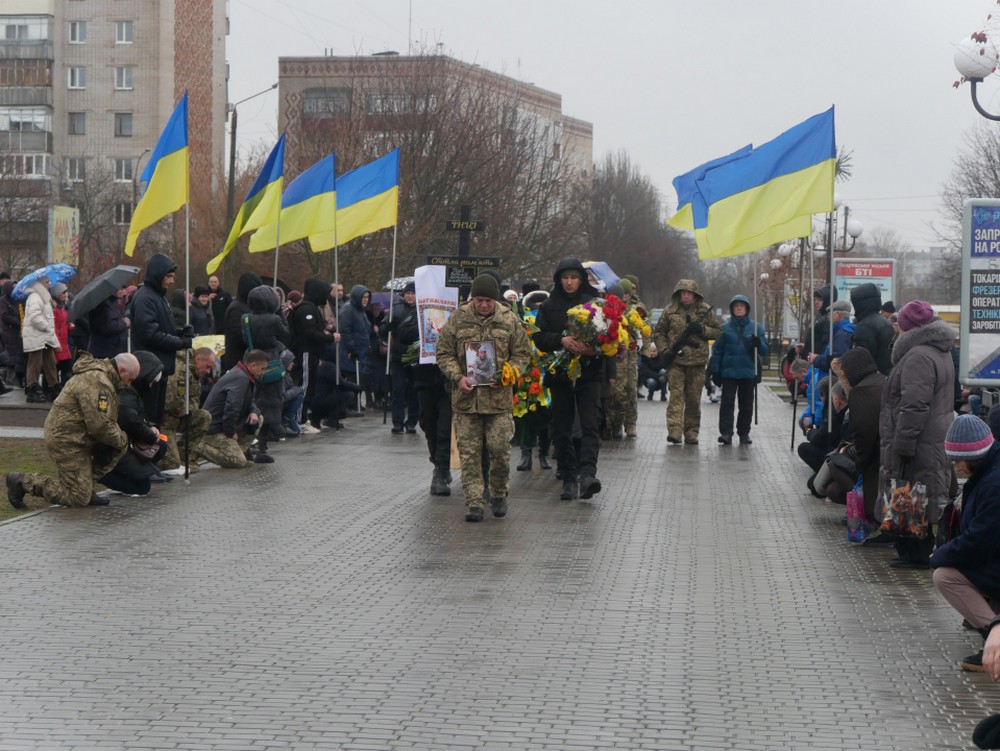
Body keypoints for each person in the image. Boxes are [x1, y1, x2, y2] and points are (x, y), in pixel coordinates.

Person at [436, 273, 531, 522]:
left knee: (500, 451)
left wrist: (510, 372)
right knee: (469, 454)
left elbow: (522, 353)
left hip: (498, 399)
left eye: (488, 300)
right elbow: (443, 352)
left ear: (496, 299)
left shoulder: (509, 320)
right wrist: (458, 377)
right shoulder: (458, 318)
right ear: (473, 299)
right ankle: (474, 502)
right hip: (467, 401)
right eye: (479, 300)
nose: (484, 305)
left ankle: (498, 493)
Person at [879, 300, 957, 567]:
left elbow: (914, 404)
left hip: (920, 438)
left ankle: (917, 554)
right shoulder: (938, 351)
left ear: (907, 328)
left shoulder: (918, 356)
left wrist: (903, 443)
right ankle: (915, 552)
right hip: (933, 435)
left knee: (913, 490)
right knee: (919, 490)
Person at [6, 352, 139, 508]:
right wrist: (122, 439)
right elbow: (99, 426)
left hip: (79, 435)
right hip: (66, 439)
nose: (129, 384)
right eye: (130, 379)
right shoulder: (98, 381)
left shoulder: (104, 378)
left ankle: (86, 487)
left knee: (115, 447)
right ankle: (23, 482)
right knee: (77, 499)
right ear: (122, 370)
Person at [533, 258, 612, 501]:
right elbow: (539, 337)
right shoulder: (549, 305)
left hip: (589, 372)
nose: (569, 282)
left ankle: (587, 474)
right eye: (565, 278)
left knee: (590, 424)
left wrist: (594, 349)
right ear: (559, 279)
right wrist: (562, 340)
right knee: (562, 426)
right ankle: (568, 475)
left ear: (581, 279)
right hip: (560, 375)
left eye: (574, 277)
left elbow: (610, 335)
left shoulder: (595, 302)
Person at [931, 414, 1000, 672]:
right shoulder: (988, 473)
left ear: (974, 457)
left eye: (957, 460)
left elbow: (980, 541)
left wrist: (941, 555)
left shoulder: (993, 484)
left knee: (945, 576)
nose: (954, 466)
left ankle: (996, 637)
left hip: (991, 556)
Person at [653, 279, 721, 445]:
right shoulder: (670, 311)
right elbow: (659, 333)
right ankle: (675, 431)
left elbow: (718, 332)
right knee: (675, 397)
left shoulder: (704, 310)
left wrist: (702, 330)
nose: (686, 296)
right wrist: (665, 350)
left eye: (689, 293)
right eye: (683, 292)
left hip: (697, 363)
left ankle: (691, 432)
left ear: (695, 295)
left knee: (693, 399)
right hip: (676, 361)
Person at [130, 254, 193, 424]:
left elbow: (161, 328)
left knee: (156, 418)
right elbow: (150, 334)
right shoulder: (146, 298)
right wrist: (179, 343)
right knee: (149, 418)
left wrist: (180, 332)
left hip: (159, 367)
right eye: (169, 276)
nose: (172, 281)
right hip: (149, 369)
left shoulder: (158, 296)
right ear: (159, 275)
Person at [98, 350, 171, 496]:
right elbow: (129, 420)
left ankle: (144, 470)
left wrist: (149, 428)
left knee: (160, 445)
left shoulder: (131, 390)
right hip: (114, 445)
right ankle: (101, 475)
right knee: (142, 487)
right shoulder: (125, 391)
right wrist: (150, 434)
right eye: (150, 382)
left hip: (124, 441)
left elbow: (137, 417)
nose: (151, 387)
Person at [831, 348, 885, 531]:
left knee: (834, 464)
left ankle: (867, 515)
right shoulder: (880, 381)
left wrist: (858, 460)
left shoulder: (862, 392)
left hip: (875, 457)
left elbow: (863, 432)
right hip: (885, 451)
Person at [709, 294, 768, 445]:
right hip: (729, 372)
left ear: (747, 308)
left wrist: (758, 342)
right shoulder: (724, 329)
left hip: (748, 372)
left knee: (746, 405)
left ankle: (744, 432)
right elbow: (717, 351)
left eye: (742, 306)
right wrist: (715, 370)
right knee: (727, 403)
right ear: (732, 309)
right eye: (736, 306)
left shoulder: (756, 328)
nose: (739, 308)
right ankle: (726, 433)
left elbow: (764, 350)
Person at [199, 349, 270, 468]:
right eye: (262, 369)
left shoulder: (244, 375)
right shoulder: (240, 378)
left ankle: (237, 452)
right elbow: (232, 407)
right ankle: (199, 447)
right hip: (213, 429)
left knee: (258, 418)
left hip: (223, 424)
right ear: (253, 365)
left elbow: (249, 400)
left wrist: (253, 411)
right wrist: (230, 433)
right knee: (238, 461)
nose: (263, 373)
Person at [244, 285, 290, 457]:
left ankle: (248, 444)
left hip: (251, 358)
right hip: (270, 361)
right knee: (272, 401)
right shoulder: (274, 319)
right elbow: (286, 334)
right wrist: (282, 314)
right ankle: (263, 447)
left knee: (254, 399)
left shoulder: (246, 319)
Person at [159, 347, 216, 474]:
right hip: (165, 421)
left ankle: (185, 457)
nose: (208, 371)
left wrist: (187, 408)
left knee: (203, 417)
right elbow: (170, 402)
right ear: (198, 359)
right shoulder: (181, 370)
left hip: (179, 417)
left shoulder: (194, 372)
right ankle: (172, 458)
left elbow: (195, 398)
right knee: (171, 465)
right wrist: (183, 408)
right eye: (207, 366)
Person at [290, 278, 339, 419]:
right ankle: (299, 418)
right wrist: (331, 338)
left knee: (311, 386)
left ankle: (302, 417)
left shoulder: (313, 308)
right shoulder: (306, 309)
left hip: (313, 353)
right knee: (305, 386)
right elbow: (309, 333)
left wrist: (326, 328)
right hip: (305, 352)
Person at [382, 281, 421, 434]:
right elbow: (383, 330)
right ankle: (397, 422)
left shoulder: (421, 310)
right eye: (408, 293)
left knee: (413, 391)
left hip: (415, 355)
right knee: (398, 390)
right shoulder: (395, 309)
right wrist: (389, 326)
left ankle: (412, 422)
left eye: (413, 293)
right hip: (398, 356)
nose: (410, 296)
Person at [21, 274, 61, 402]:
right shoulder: (35, 297)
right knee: (35, 364)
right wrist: (46, 327)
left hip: (42, 337)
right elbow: (35, 317)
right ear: (40, 283)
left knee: (50, 362)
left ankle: (52, 387)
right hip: (37, 336)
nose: (49, 284)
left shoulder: (42, 297)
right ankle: (32, 389)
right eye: (47, 282)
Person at [221, 271, 263, 373]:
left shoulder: (247, 307)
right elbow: (239, 335)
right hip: (237, 362)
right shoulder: (236, 309)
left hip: (247, 361)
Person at [850, 282, 894, 375]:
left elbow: (861, 359)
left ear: (859, 303)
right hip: (885, 375)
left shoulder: (865, 326)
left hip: (869, 379)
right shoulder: (885, 321)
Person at [338, 284, 372, 391]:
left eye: (367, 297)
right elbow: (344, 330)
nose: (366, 300)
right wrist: (353, 349)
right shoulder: (348, 309)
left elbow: (364, 330)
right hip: (351, 353)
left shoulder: (360, 310)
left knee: (358, 380)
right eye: (363, 297)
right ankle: (351, 405)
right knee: (351, 381)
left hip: (361, 352)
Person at [807, 299, 854, 375]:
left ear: (838, 315)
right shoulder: (840, 331)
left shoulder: (842, 333)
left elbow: (836, 360)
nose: (828, 317)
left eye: (830, 314)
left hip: (833, 379)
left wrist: (816, 359)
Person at [87, 286, 130, 359]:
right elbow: (109, 326)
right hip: (105, 352)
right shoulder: (102, 304)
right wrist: (124, 323)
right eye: (121, 289)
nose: (124, 292)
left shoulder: (110, 302)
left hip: (111, 349)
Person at [0, 280, 25, 387]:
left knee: (16, 356)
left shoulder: (17, 301)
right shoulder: (3, 301)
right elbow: (4, 315)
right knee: (10, 357)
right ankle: (7, 379)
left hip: (17, 332)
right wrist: (18, 322)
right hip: (8, 332)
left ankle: (13, 379)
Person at [50, 282, 73, 392]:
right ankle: (55, 391)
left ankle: (65, 390)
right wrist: (56, 344)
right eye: (64, 292)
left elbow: (63, 323)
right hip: (58, 344)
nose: (66, 294)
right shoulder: (55, 310)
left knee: (66, 368)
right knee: (56, 369)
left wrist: (69, 325)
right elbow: (54, 327)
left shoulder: (63, 307)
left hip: (64, 343)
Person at [809, 285, 837, 357]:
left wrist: (819, 359)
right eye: (815, 299)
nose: (816, 302)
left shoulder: (828, 319)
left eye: (820, 299)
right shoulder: (820, 317)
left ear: (827, 300)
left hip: (817, 361)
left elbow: (826, 343)